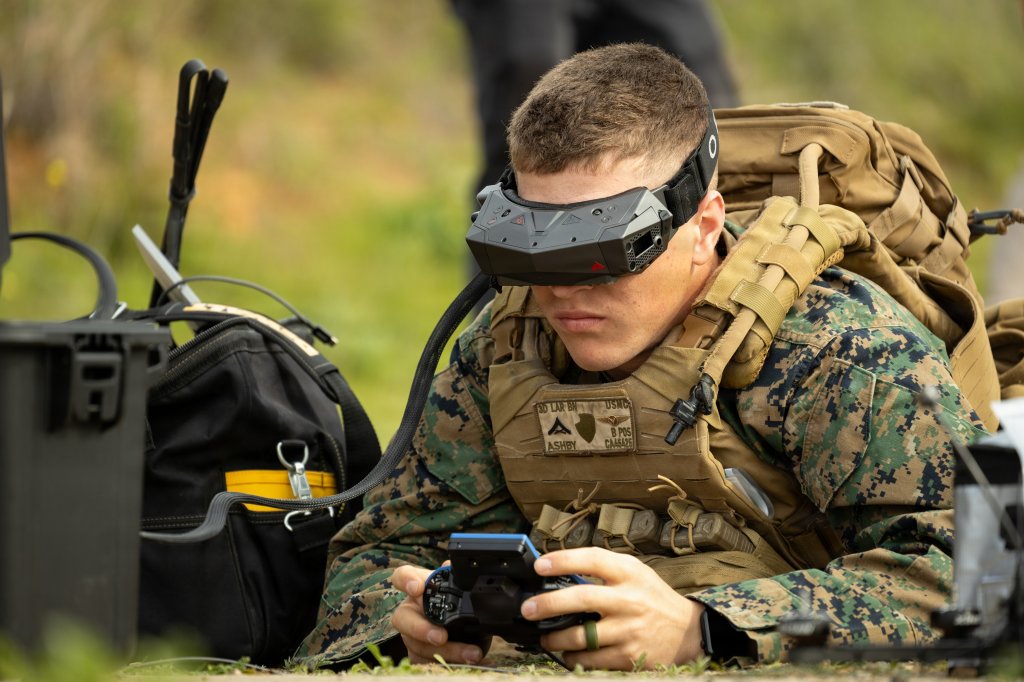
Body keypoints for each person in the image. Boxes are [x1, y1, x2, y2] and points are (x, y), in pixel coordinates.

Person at [295, 43, 986, 670]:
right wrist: (407, 622)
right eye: (529, 249)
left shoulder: (837, 350)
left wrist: (707, 630)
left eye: (601, 252)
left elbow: (975, 573)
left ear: (704, 225)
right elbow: (378, 552)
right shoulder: (508, 349)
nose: (561, 290)